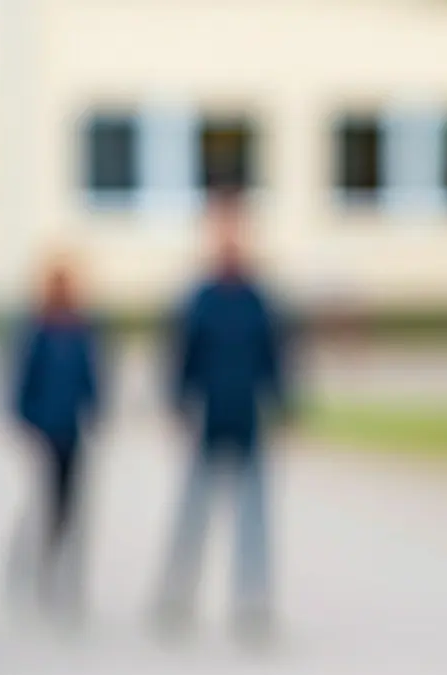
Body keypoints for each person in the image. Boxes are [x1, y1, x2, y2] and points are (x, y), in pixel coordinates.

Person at [155, 189, 289, 644]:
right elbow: (181, 355)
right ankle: (176, 594)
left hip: (247, 415)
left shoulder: (258, 297)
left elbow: (276, 356)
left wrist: (284, 403)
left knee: (253, 513)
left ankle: (253, 598)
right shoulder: (201, 298)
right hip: (209, 415)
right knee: (193, 511)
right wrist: (176, 402)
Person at [5, 253, 103, 622]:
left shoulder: (81, 330)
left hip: (72, 431)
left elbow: (91, 378)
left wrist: (96, 409)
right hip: (45, 431)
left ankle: (66, 579)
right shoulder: (37, 331)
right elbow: (21, 382)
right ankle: (34, 565)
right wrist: (27, 421)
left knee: (72, 509)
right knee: (44, 506)